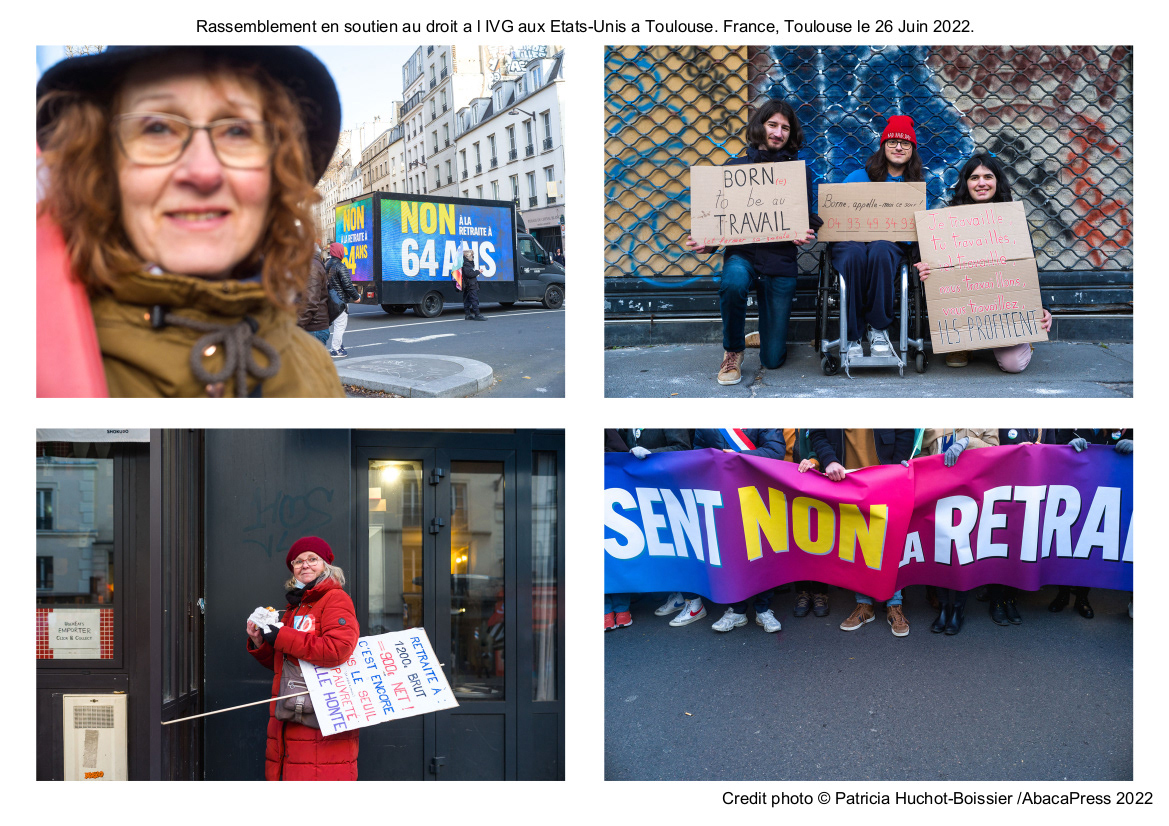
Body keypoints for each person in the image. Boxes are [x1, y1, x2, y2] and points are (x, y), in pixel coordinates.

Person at [36, 46, 346, 397]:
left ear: (277, 174)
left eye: (237, 131)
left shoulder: (314, 370)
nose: (202, 171)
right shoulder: (35, 361)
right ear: (100, 165)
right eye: (157, 128)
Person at [685, 99, 822, 385]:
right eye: (772, 125)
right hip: (743, 255)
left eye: (785, 128)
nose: (778, 132)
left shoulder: (799, 173)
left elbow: (802, 219)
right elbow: (723, 220)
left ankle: (766, 335)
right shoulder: (733, 169)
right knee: (733, 281)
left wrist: (802, 232)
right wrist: (708, 243)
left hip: (780, 261)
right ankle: (733, 351)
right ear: (760, 127)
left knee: (773, 361)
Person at [914, 153, 1053, 370]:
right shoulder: (946, 219)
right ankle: (962, 344)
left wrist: (1041, 307)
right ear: (966, 184)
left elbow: (1026, 266)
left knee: (1013, 364)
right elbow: (936, 266)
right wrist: (925, 267)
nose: (981, 183)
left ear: (997, 182)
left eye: (988, 177)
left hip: (1004, 307)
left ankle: (1022, 337)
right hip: (962, 304)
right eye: (974, 177)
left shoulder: (1012, 219)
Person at [246, 536, 359, 780]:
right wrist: (260, 642)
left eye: (312, 559)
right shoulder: (295, 606)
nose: (304, 565)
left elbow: (337, 650)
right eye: (298, 561)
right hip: (288, 724)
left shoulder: (335, 599)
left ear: (326, 565)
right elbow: (285, 665)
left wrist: (283, 635)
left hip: (320, 728)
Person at [801, 429, 916, 636]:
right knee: (855, 540)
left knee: (892, 537)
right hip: (846, 477)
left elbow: (904, 429)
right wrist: (829, 460)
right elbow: (818, 432)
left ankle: (895, 604)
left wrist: (896, 464)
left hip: (886, 473)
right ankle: (864, 605)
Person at [832, 115, 924, 361]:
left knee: (881, 250)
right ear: (883, 146)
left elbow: (915, 231)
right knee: (854, 254)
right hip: (850, 242)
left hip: (888, 245)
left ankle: (878, 328)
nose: (898, 147)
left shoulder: (913, 187)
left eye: (905, 143)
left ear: (912, 150)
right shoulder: (856, 178)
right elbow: (836, 218)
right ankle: (852, 334)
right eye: (892, 141)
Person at [693, 429, 795, 633]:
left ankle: (763, 609)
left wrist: (737, 455)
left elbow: (775, 451)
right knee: (730, 552)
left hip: (757, 491)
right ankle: (736, 610)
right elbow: (698, 454)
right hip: (723, 493)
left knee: (762, 550)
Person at [1040, 429, 1134, 619]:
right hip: (1074, 489)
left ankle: (1082, 598)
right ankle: (1062, 594)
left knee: (1091, 550)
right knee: (1067, 544)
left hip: (1106, 492)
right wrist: (1067, 448)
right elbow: (1055, 448)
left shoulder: (1130, 427)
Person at [919, 429, 1000, 634]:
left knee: (964, 550)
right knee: (940, 550)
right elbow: (920, 452)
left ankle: (958, 609)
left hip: (971, 491)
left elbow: (995, 450)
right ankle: (944, 607)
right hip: (938, 488)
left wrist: (967, 442)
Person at [326, 242, 360, 357]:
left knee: (336, 324)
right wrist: (356, 297)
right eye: (343, 250)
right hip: (340, 300)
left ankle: (339, 345)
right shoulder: (340, 266)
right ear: (340, 252)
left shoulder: (326, 265)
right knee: (340, 326)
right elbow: (348, 285)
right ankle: (336, 349)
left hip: (330, 300)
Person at [297, 244, 331, 347]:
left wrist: (296, 326)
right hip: (313, 327)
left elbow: (310, 302)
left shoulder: (312, 267)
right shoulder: (312, 265)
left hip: (313, 329)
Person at [459, 249, 485, 321]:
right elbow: (469, 274)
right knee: (474, 300)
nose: (473, 257)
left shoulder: (465, 263)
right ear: (468, 256)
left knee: (467, 300)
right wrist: (478, 272)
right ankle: (477, 314)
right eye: (472, 255)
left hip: (468, 285)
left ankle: (468, 315)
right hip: (471, 285)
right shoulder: (467, 264)